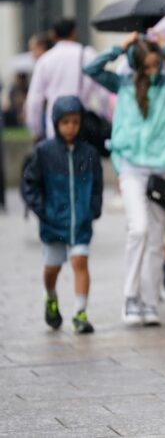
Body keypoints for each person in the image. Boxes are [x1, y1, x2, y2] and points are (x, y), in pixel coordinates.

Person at [84, 32, 165, 326]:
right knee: (137, 230)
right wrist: (119, 48)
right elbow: (92, 69)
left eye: (156, 64)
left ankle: (149, 303)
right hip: (132, 170)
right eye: (147, 65)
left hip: (161, 172)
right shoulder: (122, 84)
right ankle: (130, 298)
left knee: (154, 241)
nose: (153, 70)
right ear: (137, 66)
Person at [21, 96, 103, 334]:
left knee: (80, 261)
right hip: (53, 223)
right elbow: (29, 183)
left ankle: (80, 312)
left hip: (81, 222)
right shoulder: (44, 152)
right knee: (52, 268)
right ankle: (51, 295)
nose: (71, 128)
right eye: (65, 122)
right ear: (56, 123)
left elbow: (97, 184)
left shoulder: (89, 153)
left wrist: (93, 209)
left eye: (76, 122)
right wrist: (43, 210)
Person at [24, 19, 101, 141]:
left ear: (54, 35)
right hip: (81, 124)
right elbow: (102, 93)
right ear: (74, 33)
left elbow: (34, 100)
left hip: (54, 127)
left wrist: (36, 130)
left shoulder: (45, 60)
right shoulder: (88, 55)